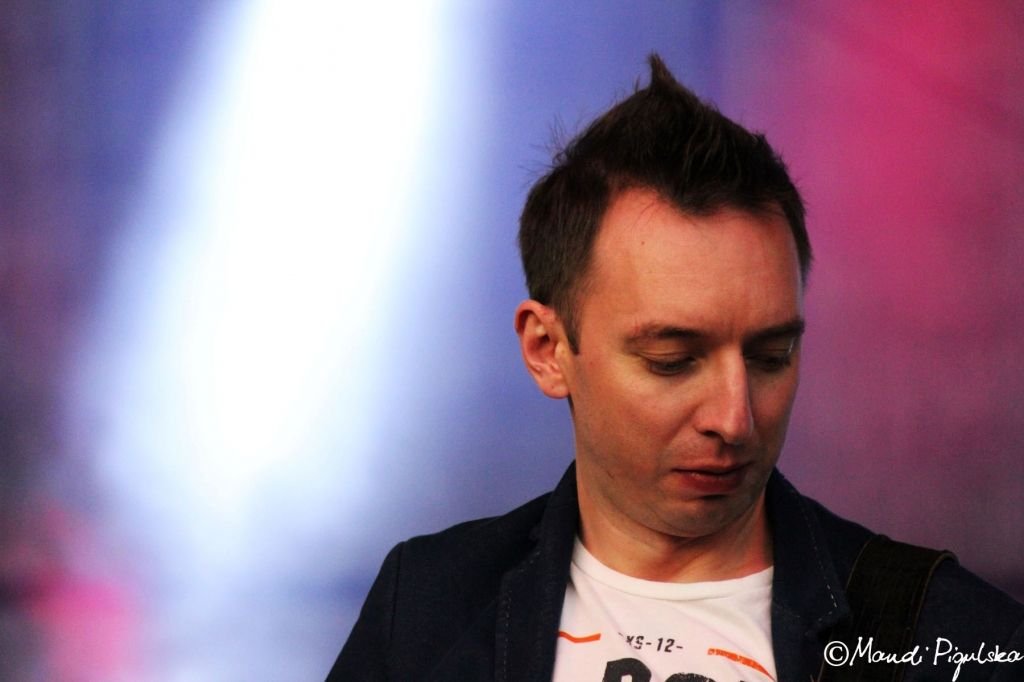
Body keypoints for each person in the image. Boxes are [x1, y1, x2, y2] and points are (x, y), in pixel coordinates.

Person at [328, 55, 1023, 681]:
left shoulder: (953, 639)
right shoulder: (427, 608)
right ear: (547, 350)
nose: (734, 418)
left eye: (772, 356)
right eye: (672, 361)